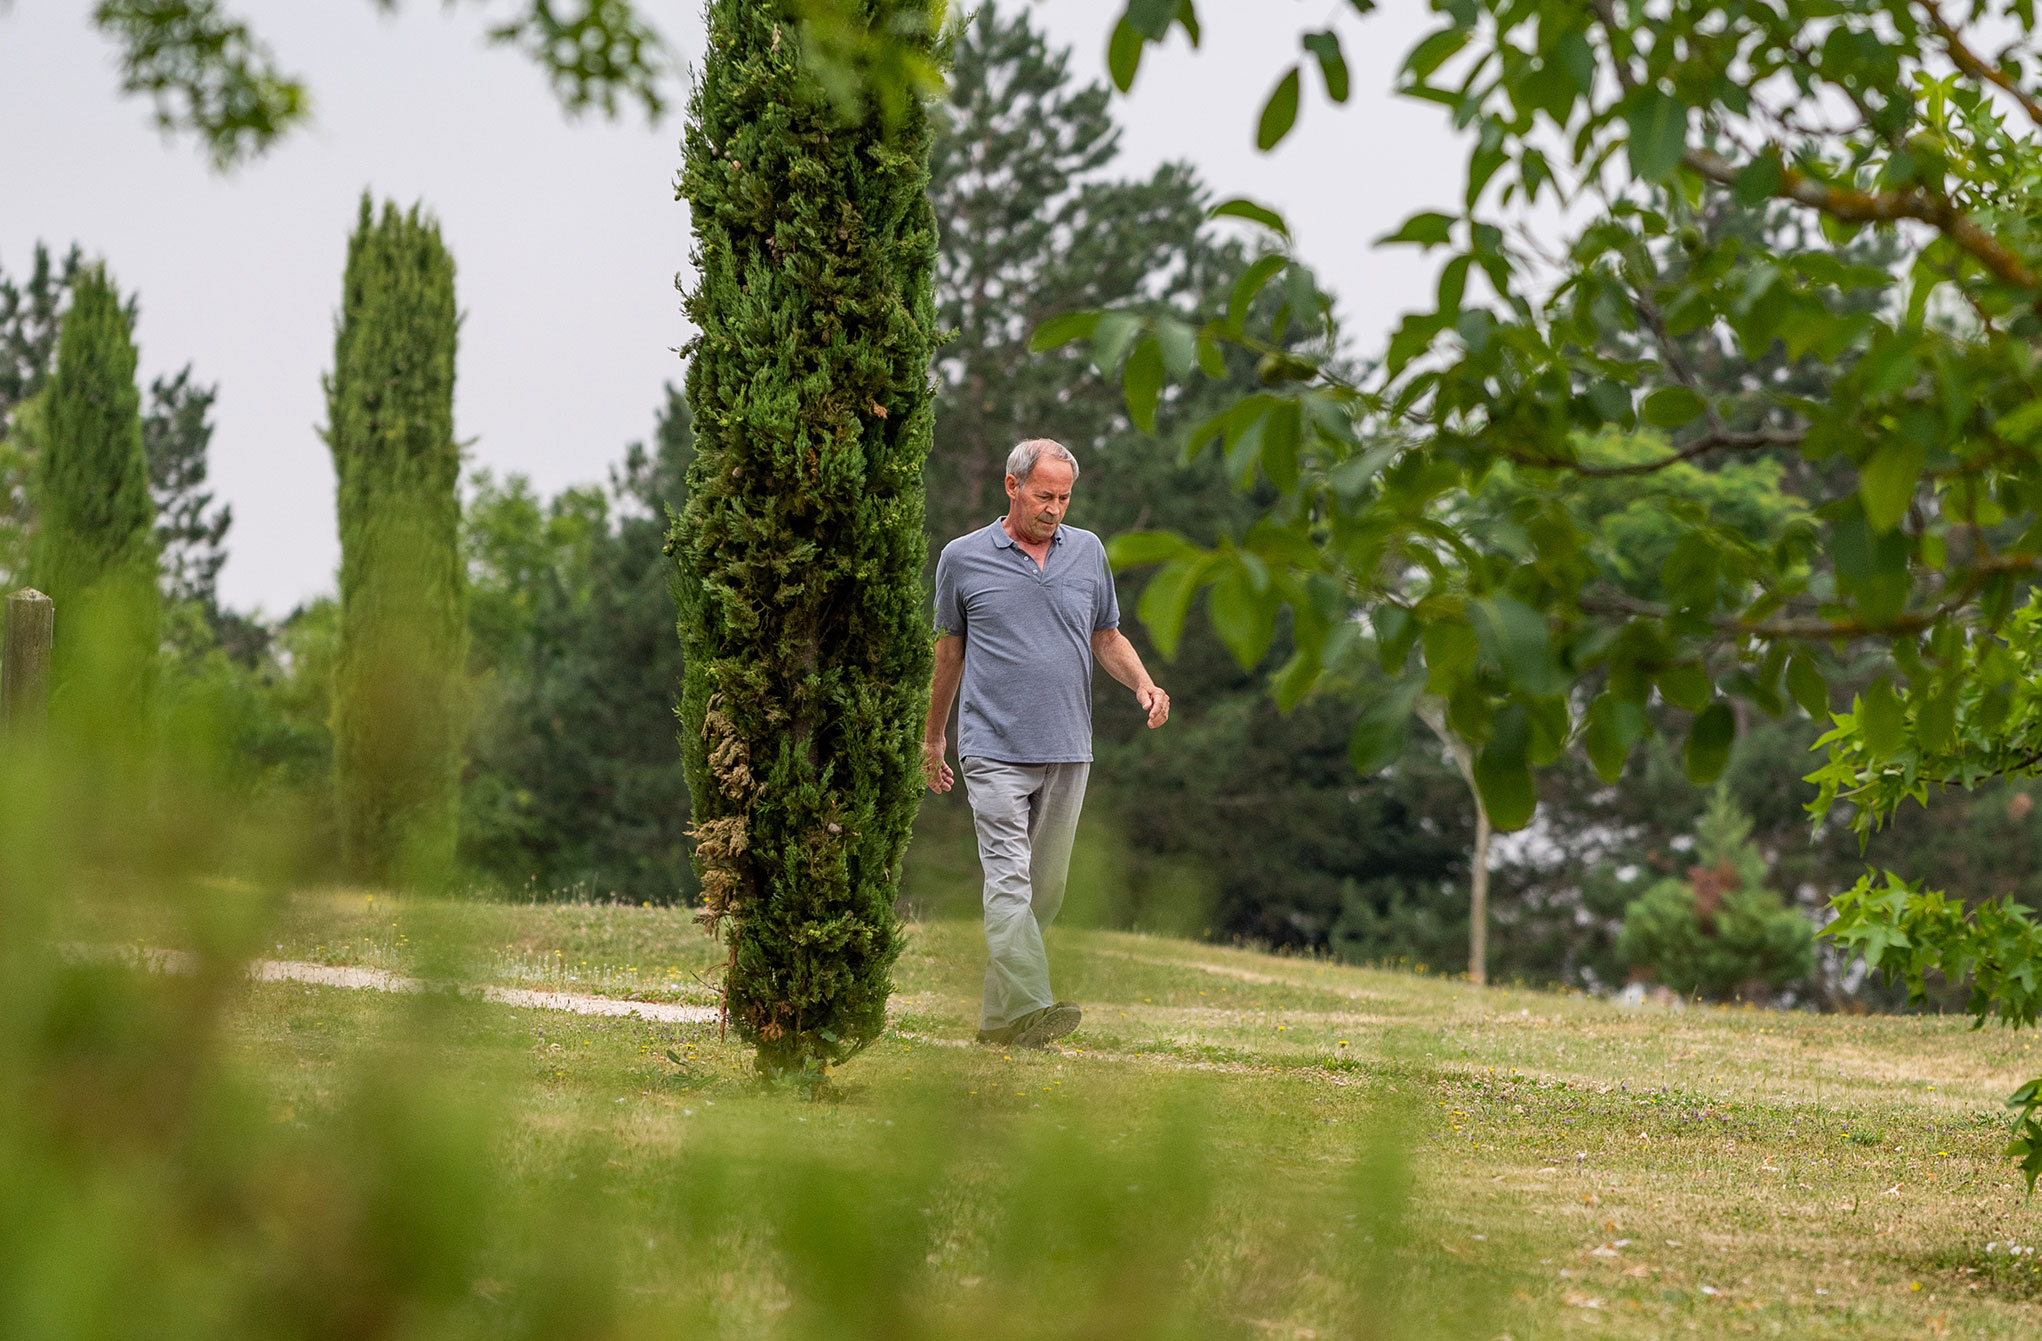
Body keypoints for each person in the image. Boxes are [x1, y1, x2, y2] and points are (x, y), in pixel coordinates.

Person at [925, 438, 1171, 1048]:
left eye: (1064, 497)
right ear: (1012, 487)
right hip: (992, 749)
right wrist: (934, 739)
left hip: (1069, 746)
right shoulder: (963, 559)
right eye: (1043, 495)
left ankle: (997, 1021)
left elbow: (1106, 636)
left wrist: (1142, 682)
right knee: (1009, 881)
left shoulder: (1086, 552)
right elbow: (948, 656)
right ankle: (1035, 1005)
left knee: (1046, 891)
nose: (1054, 508)